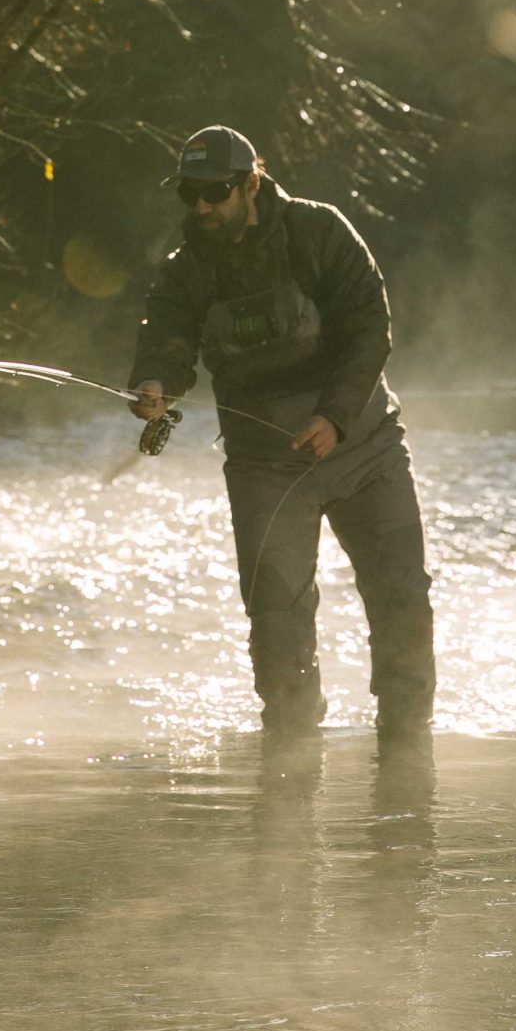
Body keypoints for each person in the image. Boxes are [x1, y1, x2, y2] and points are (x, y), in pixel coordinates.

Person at [128, 125, 436, 737]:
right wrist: (155, 385)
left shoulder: (319, 231)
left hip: (365, 451)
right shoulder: (186, 270)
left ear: (251, 182)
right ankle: (292, 749)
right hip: (263, 468)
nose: (202, 207)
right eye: (190, 194)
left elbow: (370, 327)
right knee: (277, 623)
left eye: (215, 192)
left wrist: (335, 418)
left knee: (402, 598)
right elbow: (166, 336)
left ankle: (407, 747)